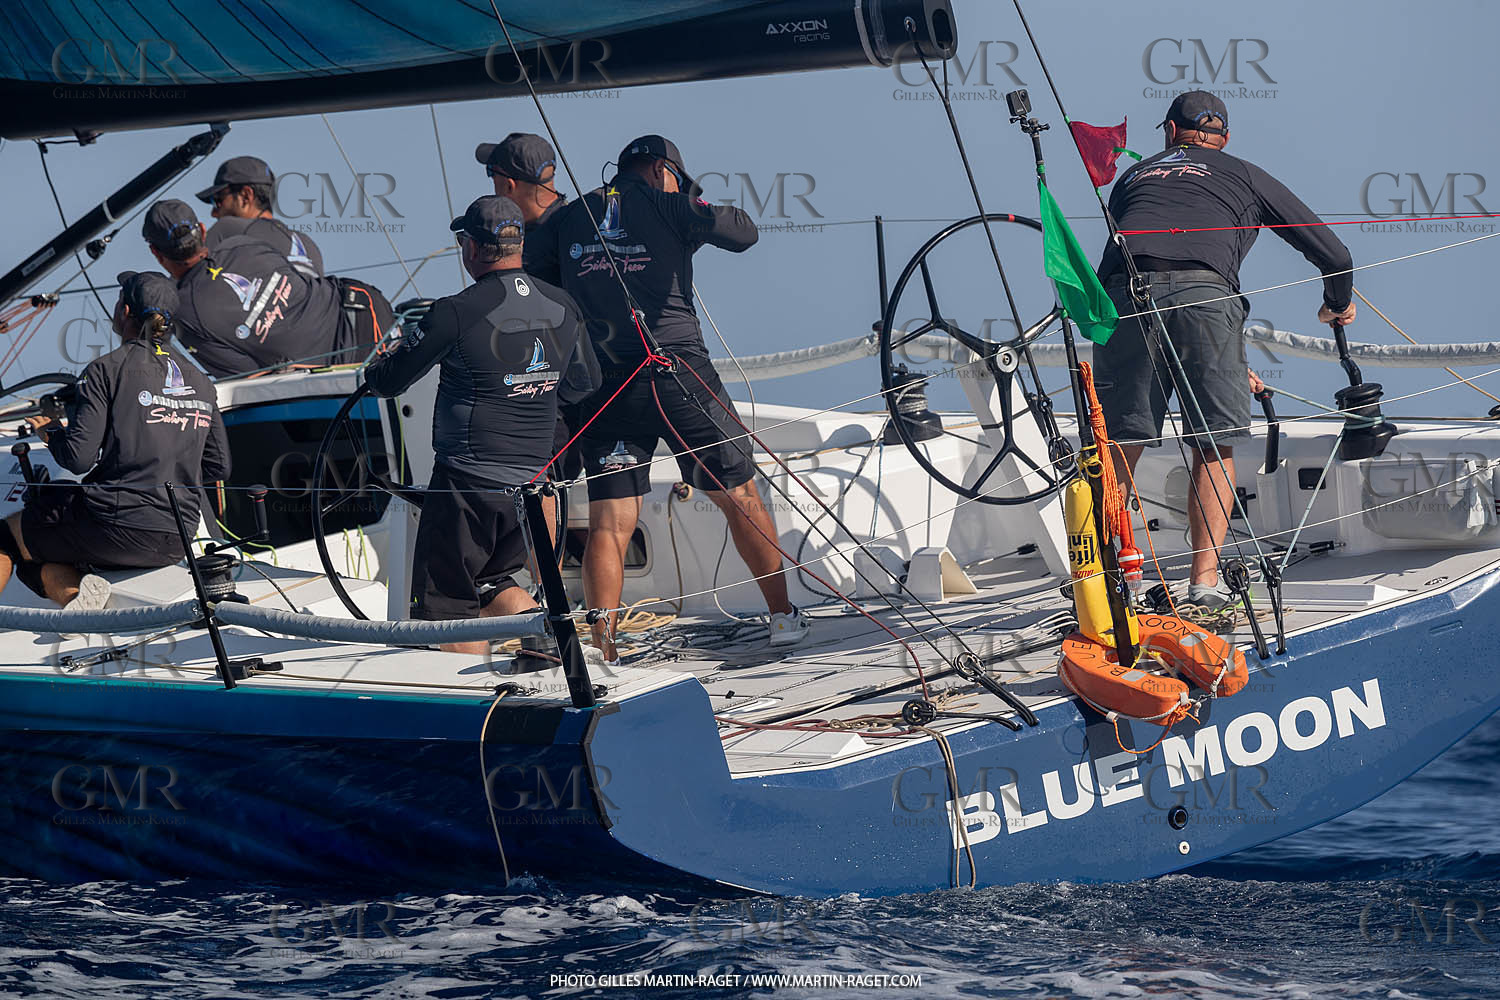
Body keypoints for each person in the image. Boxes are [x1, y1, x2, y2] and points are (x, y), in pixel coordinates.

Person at [528, 134, 809, 659]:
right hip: (680, 377)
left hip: (607, 388)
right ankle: (782, 618)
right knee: (740, 497)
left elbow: (537, 276)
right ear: (662, 170)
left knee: (611, 518)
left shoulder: (570, 218)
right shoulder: (669, 201)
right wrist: (686, 205)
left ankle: (603, 647)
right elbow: (743, 231)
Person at [1094, 91, 1356, 610]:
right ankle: (1204, 585)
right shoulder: (1243, 172)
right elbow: (1334, 253)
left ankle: (1107, 580)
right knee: (1214, 442)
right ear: (1225, 140)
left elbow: (1115, 259)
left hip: (1125, 295)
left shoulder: (1134, 175)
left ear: (1170, 133)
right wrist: (1336, 304)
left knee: (1119, 442)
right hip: (1204, 299)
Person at [364, 196, 599, 655]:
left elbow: (389, 382)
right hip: (532, 484)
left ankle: (468, 710)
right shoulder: (562, 303)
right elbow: (585, 381)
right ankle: (552, 663)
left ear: (470, 246)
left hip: (466, 486)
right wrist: (533, 395)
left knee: (448, 611)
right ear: (520, 244)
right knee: (491, 584)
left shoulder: (454, 310)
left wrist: (378, 369)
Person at [0, 271, 230, 610]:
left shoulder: (106, 370)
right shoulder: (200, 381)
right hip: (176, 538)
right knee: (39, 557)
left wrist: (49, 430)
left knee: (8, 536)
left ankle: (76, 600)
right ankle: (80, 604)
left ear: (124, 312)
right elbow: (217, 465)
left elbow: (77, 459)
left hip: (113, 527)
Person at [143, 199, 391, 377]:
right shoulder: (242, 244)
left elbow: (252, 376)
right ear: (203, 230)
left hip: (343, 369)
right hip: (368, 308)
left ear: (155, 252)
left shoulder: (184, 314)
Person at [479, 132, 579, 543]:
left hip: (557, 388)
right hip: (594, 380)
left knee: (539, 485)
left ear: (507, 184)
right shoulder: (578, 223)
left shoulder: (537, 243)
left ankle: (546, 595)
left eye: (492, 177)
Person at [197, 155, 325, 277]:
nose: (213, 213)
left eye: (218, 200)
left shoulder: (227, 230)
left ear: (246, 196)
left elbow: (188, 281)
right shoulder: (309, 246)